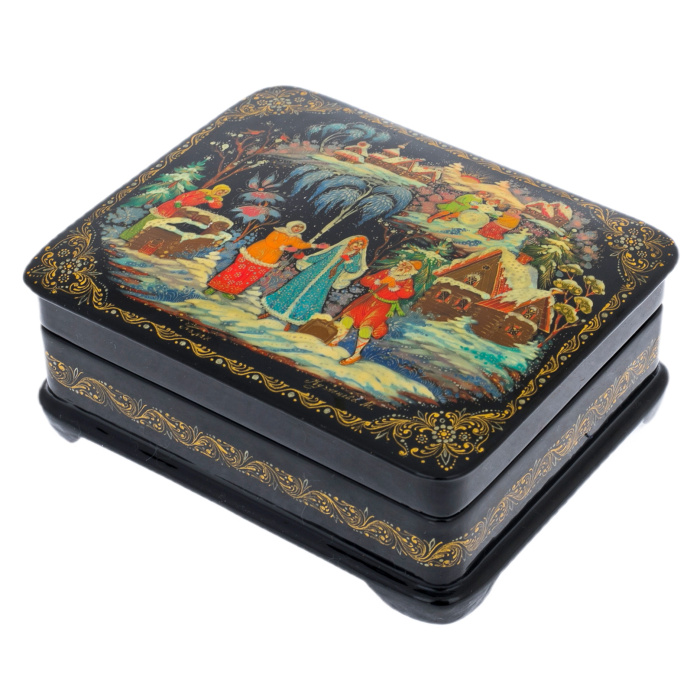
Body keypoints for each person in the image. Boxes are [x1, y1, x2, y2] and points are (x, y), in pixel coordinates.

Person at [258, 236, 368, 330]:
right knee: (293, 288)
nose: (357, 246)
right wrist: (306, 258)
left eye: (360, 245)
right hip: (312, 272)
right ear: (351, 242)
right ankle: (271, 311)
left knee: (311, 297)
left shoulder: (356, 256)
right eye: (356, 243)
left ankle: (291, 321)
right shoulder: (339, 248)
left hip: (326, 279)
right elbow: (322, 256)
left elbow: (352, 269)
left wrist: (348, 260)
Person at [329, 259, 421, 365]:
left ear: (411, 271)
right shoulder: (387, 272)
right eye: (404, 264)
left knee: (366, 328)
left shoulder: (407, 281)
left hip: (382, 306)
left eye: (408, 268)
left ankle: (356, 355)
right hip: (369, 299)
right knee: (347, 319)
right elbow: (365, 280)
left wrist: (393, 286)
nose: (403, 268)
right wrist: (378, 281)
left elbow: (407, 294)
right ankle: (335, 341)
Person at [204, 221, 322, 299]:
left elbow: (301, 244)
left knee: (252, 275)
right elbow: (270, 241)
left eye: (300, 228)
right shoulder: (279, 231)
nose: (297, 229)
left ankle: (230, 290)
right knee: (238, 269)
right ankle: (214, 286)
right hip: (258, 251)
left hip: (270, 257)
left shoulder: (295, 238)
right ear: (291, 225)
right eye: (296, 226)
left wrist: (316, 246)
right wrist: (285, 247)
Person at [120, 184, 232, 241]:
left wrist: (211, 200)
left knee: (157, 224)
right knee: (152, 219)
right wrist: (178, 202)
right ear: (216, 188)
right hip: (172, 205)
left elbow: (217, 205)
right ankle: (128, 235)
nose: (221, 192)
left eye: (224, 192)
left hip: (179, 210)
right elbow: (185, 195)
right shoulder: (202, 192)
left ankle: (136, 238)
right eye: (220, 190)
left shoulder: (213, 198)